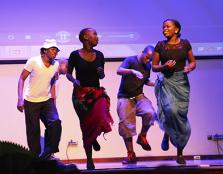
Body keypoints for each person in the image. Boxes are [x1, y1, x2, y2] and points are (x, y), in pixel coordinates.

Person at [66, 28, 113, 170]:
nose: (97, 37)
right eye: (95, 35)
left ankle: (94, 137)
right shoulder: (75, 55)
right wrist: (74, 81)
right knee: (85, 126)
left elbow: (101, 76)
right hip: (80, 96)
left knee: (101, 116)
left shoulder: (99, 55)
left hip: (96, 93)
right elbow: (68, 74)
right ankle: (89, 159)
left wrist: (101, 73)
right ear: (85, 37)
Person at [152, 19, 196, 164]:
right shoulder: (160, 45)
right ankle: (167, 132)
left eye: (168, 26)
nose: (164, 28)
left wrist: (190, 67)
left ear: (176, 29)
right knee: (170, 110)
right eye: (163, 26)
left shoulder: (185, 44)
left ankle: (180, 152)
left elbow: (193, 62)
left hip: (181, 83)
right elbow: (154, 67)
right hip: (166, 82)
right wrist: (164, 66)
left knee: (179, 115)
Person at [17, 39, 62, 160]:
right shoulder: (33, 61)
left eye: (56, 50)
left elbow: (53, 81)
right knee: (33, 131)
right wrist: (20, 99)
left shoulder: (56, 64)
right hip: (31, 101)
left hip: (46, 100)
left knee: (55, 123)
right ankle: (35, 158)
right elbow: (22, 79)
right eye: (53, 49)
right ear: (44, 51)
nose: (55, 52)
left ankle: (48, 153)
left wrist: (54, 100)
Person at [117, 45, 156, 164]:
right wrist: (132, 71)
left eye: (150, 59)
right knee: (126, 127)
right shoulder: (130, 60)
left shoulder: (147, 65)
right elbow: (118, 71)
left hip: (139, 96)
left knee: (150, 113)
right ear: (143, 53)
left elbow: (146, 81)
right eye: (147, 58)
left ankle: (142, 136)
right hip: (125, 97)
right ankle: (131, 154)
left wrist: (155, 83)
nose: (148, 61)